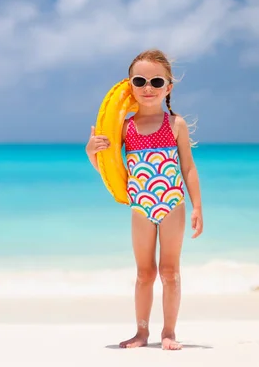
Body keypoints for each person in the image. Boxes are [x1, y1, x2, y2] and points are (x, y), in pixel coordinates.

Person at [85, 49, 204, 350]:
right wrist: (91, 153)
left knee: (170, 272)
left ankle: (169, 332)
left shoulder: (174, 125)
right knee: (144, 273)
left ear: (168, 87)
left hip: (172, 204)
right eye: (140, 80)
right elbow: (111, 170)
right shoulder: (124, 127)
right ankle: (141, 332)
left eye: (156, 81)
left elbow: (188, 167)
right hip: (141, 206)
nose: (148, 87)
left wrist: (197, 207)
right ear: (130, 86)